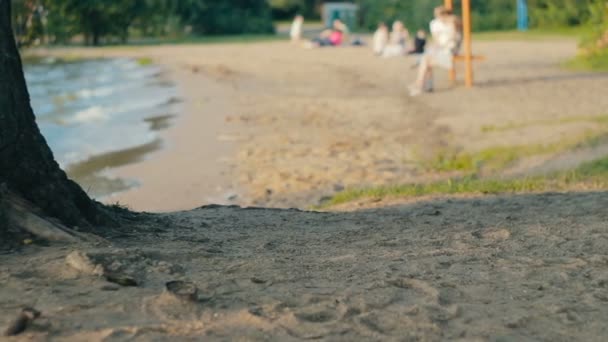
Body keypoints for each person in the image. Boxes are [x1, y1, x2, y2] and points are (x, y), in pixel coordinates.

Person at [408, 6, 461, 96]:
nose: (437, 17)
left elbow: (452, 39)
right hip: (445, 50)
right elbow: (439, 40)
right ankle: (423, 85)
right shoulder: (442, 24)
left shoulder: (453, 23)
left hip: (449, 51)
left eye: (438, 15)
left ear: (444, 15)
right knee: (426, 59)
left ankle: (420, 85)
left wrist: (440, 45)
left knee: (425, 60)